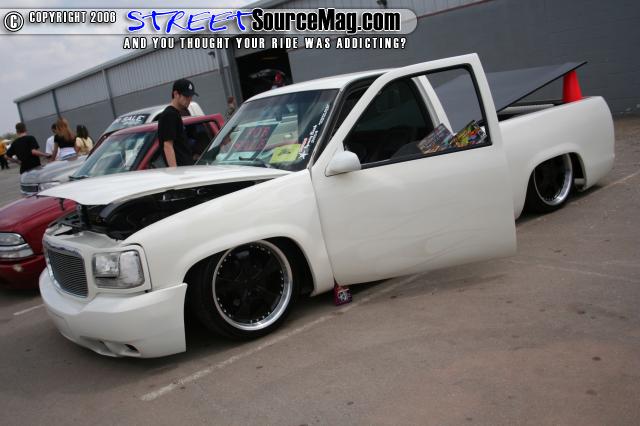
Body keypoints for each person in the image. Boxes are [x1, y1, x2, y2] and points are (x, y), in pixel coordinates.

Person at [158, 78, 198, 167]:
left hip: (185, 169)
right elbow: (168, 145)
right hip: (180, 171)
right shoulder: (169, 115)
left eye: (191, 96)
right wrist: (174, 171)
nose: (189, 99)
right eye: (186, 96)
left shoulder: (175, 114)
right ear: (176, 94)